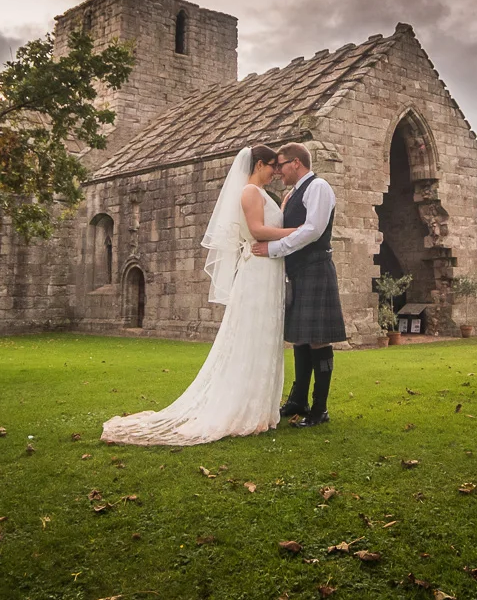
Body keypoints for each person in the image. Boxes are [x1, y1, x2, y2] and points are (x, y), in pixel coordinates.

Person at [101, 144, 295, 445]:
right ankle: (242, 409)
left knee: (265, 336)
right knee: (252, 336)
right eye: (273, 166)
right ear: (259, 164)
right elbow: (257, 230)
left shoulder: (262, 194)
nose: (276, 172)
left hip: (268, 269)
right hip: (257, 271)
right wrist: (299, 231)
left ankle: (259, 409)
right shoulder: (250, 193)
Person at [252, 142, 346, 428]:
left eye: (280, 165)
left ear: (296, 163)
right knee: (301, 337)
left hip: (316, 268)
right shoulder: (293, 193)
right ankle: (299, 400)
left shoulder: (318, 187)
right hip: (300, 271)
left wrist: (274, 248)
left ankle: (319, 409)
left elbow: (313, 230)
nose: (278, 171)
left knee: (318, 338)